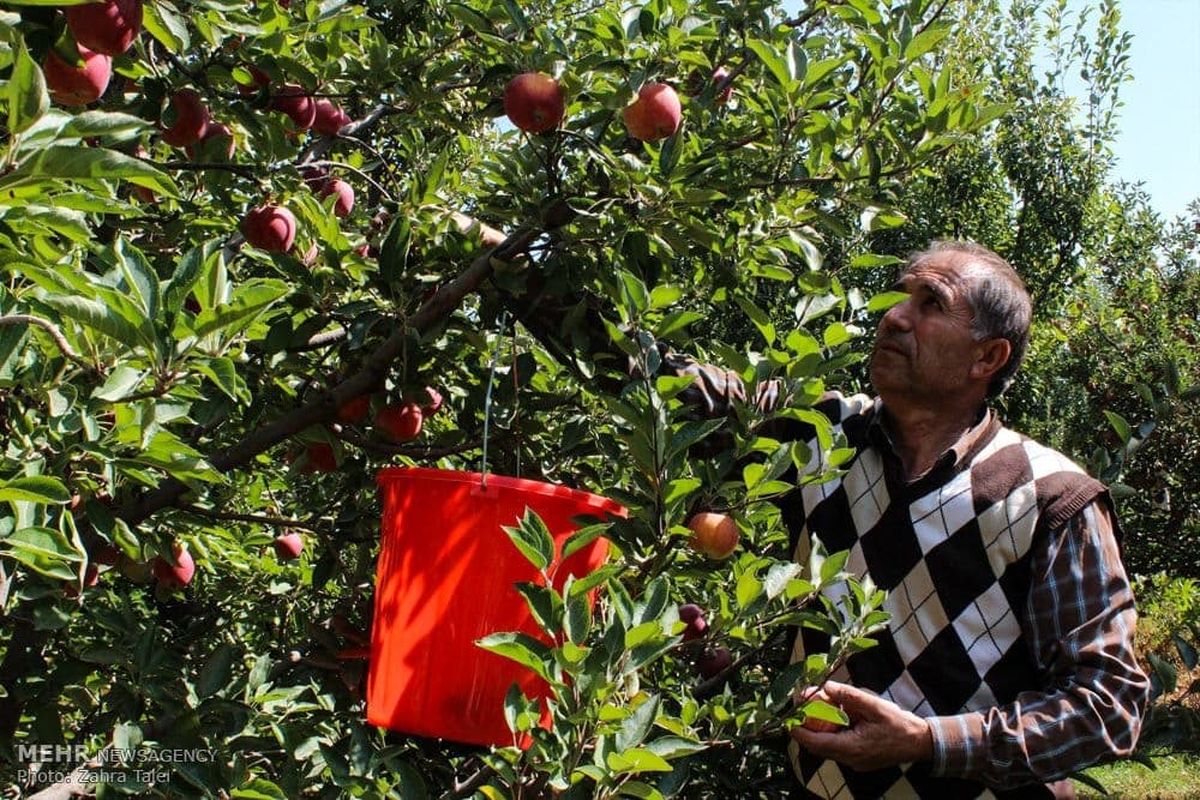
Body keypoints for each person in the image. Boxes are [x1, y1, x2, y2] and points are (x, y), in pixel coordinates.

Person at [500, 239, 1150, 798]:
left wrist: (928, 742)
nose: (894, 318)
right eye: (898, 298)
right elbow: (659, 379)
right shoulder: (821, 435)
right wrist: (506, 260)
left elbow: (1108, 705)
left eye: (932, 305)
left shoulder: (1051, 498)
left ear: (988, 358)